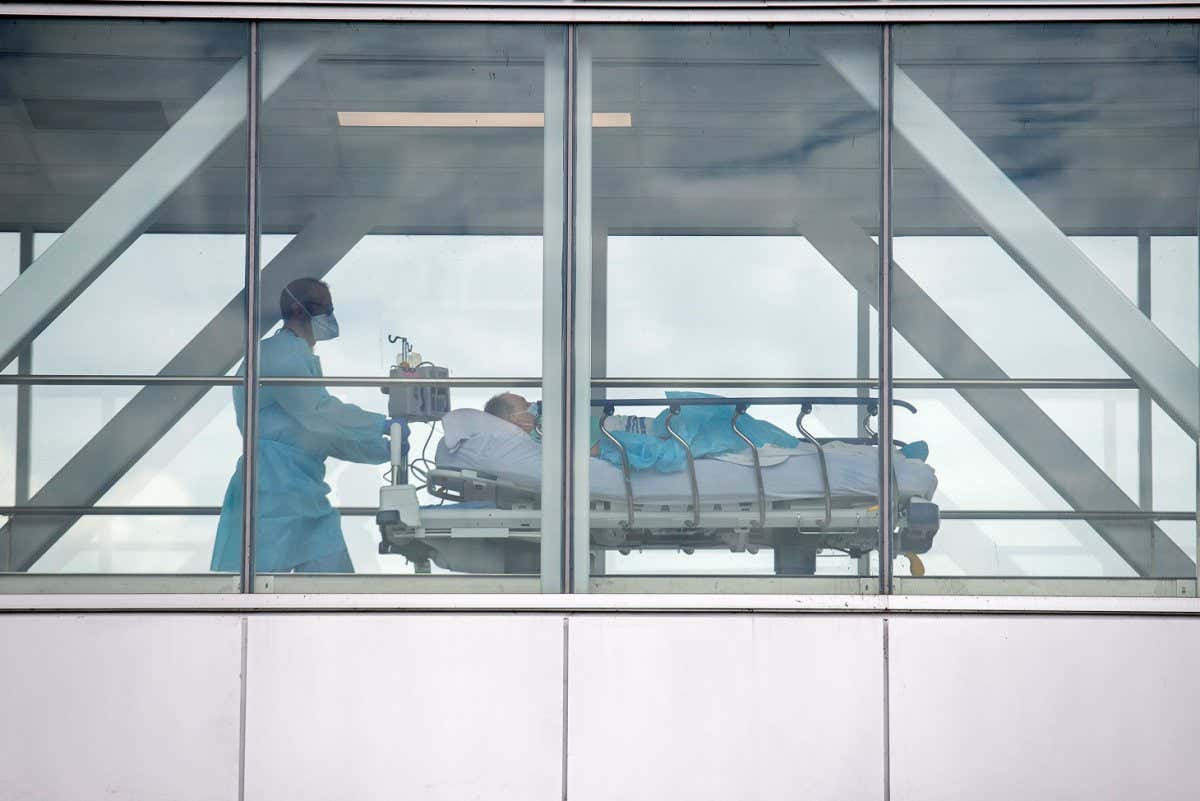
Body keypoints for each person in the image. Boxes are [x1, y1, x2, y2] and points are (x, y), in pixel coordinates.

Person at [211, 278, 397, 574]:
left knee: (332, 592)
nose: (330, 317)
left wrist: (383, 448)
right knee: (266, 591)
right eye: (325, 309)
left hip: (300, 491)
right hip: (273, 489)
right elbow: (319, 412)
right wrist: (380, 425)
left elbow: (320, 434)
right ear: (299, 310)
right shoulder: (278, 354)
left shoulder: (296, 355)